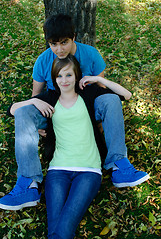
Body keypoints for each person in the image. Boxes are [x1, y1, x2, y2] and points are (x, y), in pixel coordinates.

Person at [0, 14, 149, 211]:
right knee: (24, 112)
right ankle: (28, 183)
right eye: (53, 44)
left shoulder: (91, 54)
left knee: (111, 99)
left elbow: (103, 95)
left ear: (74, 37)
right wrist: (35, 124)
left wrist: (100, 124)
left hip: (87, 106)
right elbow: (33, 99)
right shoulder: (43, 62)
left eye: (64, 42)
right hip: (55, 109)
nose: (59, 49)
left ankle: (119, 165)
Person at [1, 55, 133, 238]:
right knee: (55, 229)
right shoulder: (50, 98)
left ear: (76, 76)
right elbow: (13, 110)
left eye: (69, 75)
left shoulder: (88, 94)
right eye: (59, 76)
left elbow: (126, 95)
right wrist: (33, 100)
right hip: (57, 171)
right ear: (54, 79)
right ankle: (28, 186)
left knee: (64, 228)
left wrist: (98, 79)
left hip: (89, 171)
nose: (64, 80)